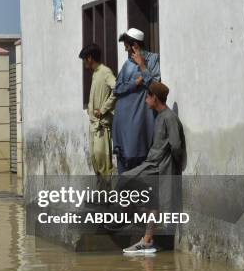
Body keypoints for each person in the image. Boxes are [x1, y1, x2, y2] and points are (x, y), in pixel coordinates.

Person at [122, 82, 186, 254]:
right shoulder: (159, 117)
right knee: (153, 203)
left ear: (154, 98)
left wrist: (171, 169)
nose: (145, 101)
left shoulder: (169, 118)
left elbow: (176, 146)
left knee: (124, 179)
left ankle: (124, 225)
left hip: (158, 167)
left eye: (147, 97)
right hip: (153, 165)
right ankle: (147, 240)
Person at [112, 28, 161, 174]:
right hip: (122, 121)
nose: (126, 49)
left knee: (139, 166)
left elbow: (155, 85)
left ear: (135, 45)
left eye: (127, 46)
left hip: (139, 120)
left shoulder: (152, 59)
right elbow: (117, 89)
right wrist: (135, 83)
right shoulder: (127, 64)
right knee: (124, 166)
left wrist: (142, 66)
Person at [79, 43, 116, 179]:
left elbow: (117, 89)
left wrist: (104, 109)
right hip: (93, 125)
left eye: (84, 59)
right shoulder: (95, 74)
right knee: (95, 161)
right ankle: (101, 194)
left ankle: (107, 197)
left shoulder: (105, 72)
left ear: (89, 58)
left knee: (103, 163)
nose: (84, 63)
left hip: (102, 125)